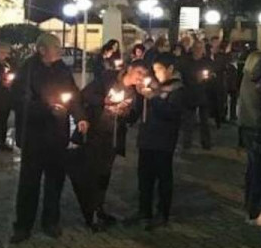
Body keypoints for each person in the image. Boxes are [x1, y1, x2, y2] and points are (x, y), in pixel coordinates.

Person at [10, 33, 89, 243]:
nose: (60, 50)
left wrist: (80, 117)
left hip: (57, 135)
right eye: (56, 47)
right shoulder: (28, 70)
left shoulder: (62, 69)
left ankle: (51, 221)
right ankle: (23, 225)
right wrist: (47, 109)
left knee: (55, 181)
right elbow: (19, 101)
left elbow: (73, 95)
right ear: (42, 50)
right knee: (29, 182)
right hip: (34, 136)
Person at [82, 61, 147, 228]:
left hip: (114, 136)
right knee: (93, 172)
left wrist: (126, 112)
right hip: (96, 132)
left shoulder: (136, 92)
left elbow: (133, 117)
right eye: (139, 72)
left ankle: (99, 208)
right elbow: (86, 94)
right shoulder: (108, 78)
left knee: (105, 173)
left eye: (144, 74)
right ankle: (90, 214)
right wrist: (104, 100)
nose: (141, 77)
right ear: (129, 69)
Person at [127, 53, 185, 230]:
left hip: (163, 140)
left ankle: (162, 213)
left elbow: (171, 113)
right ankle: (144, 210)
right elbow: (140, 110)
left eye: (159, 69)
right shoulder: (155, 86)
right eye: (155, 70)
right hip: (147, 138)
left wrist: (153, 98)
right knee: (145, 178)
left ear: (170, 69)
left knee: (163, 178)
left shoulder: (177, 89)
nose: (156, 73)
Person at [238, 51, 261, 226]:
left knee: (252, 168)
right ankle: (254, 209)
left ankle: (249, 204)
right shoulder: (255, 82)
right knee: (257, 169)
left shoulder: (245, 79)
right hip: (254, 127)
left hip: (246, 126)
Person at [179, 40, 213, 150]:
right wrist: (195, 79)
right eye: (196, 48)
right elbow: (184, 76)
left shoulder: (207, 61)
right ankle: (187, 143)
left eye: (200, 48)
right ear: (193, 49)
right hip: (190, 94)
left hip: (204, 94)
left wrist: (207, 78)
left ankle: (206, 142)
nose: (198, 50)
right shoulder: (186, 61)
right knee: (188, 121)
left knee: (205, 121)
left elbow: (212, 75)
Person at [0, 42, 14, 152]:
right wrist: (1, 83)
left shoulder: (7, 64)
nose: (5, 55)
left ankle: (2, 142)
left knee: (4, 121)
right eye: (2, 52)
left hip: (6, 96)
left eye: (6, 53)